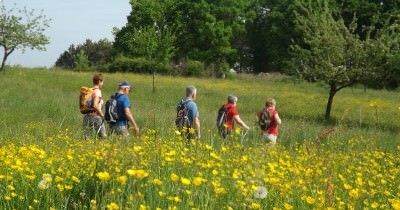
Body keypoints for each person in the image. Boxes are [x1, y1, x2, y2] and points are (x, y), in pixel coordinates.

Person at [83, 73, 106, 139]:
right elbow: (95, 105)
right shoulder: (97, 91)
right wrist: (102, 115)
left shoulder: (89, 91)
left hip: (86, 116)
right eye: (102, 82)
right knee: (103, 138)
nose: (102, 83)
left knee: (87, 138)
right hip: (96, 117)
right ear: (99, 81)